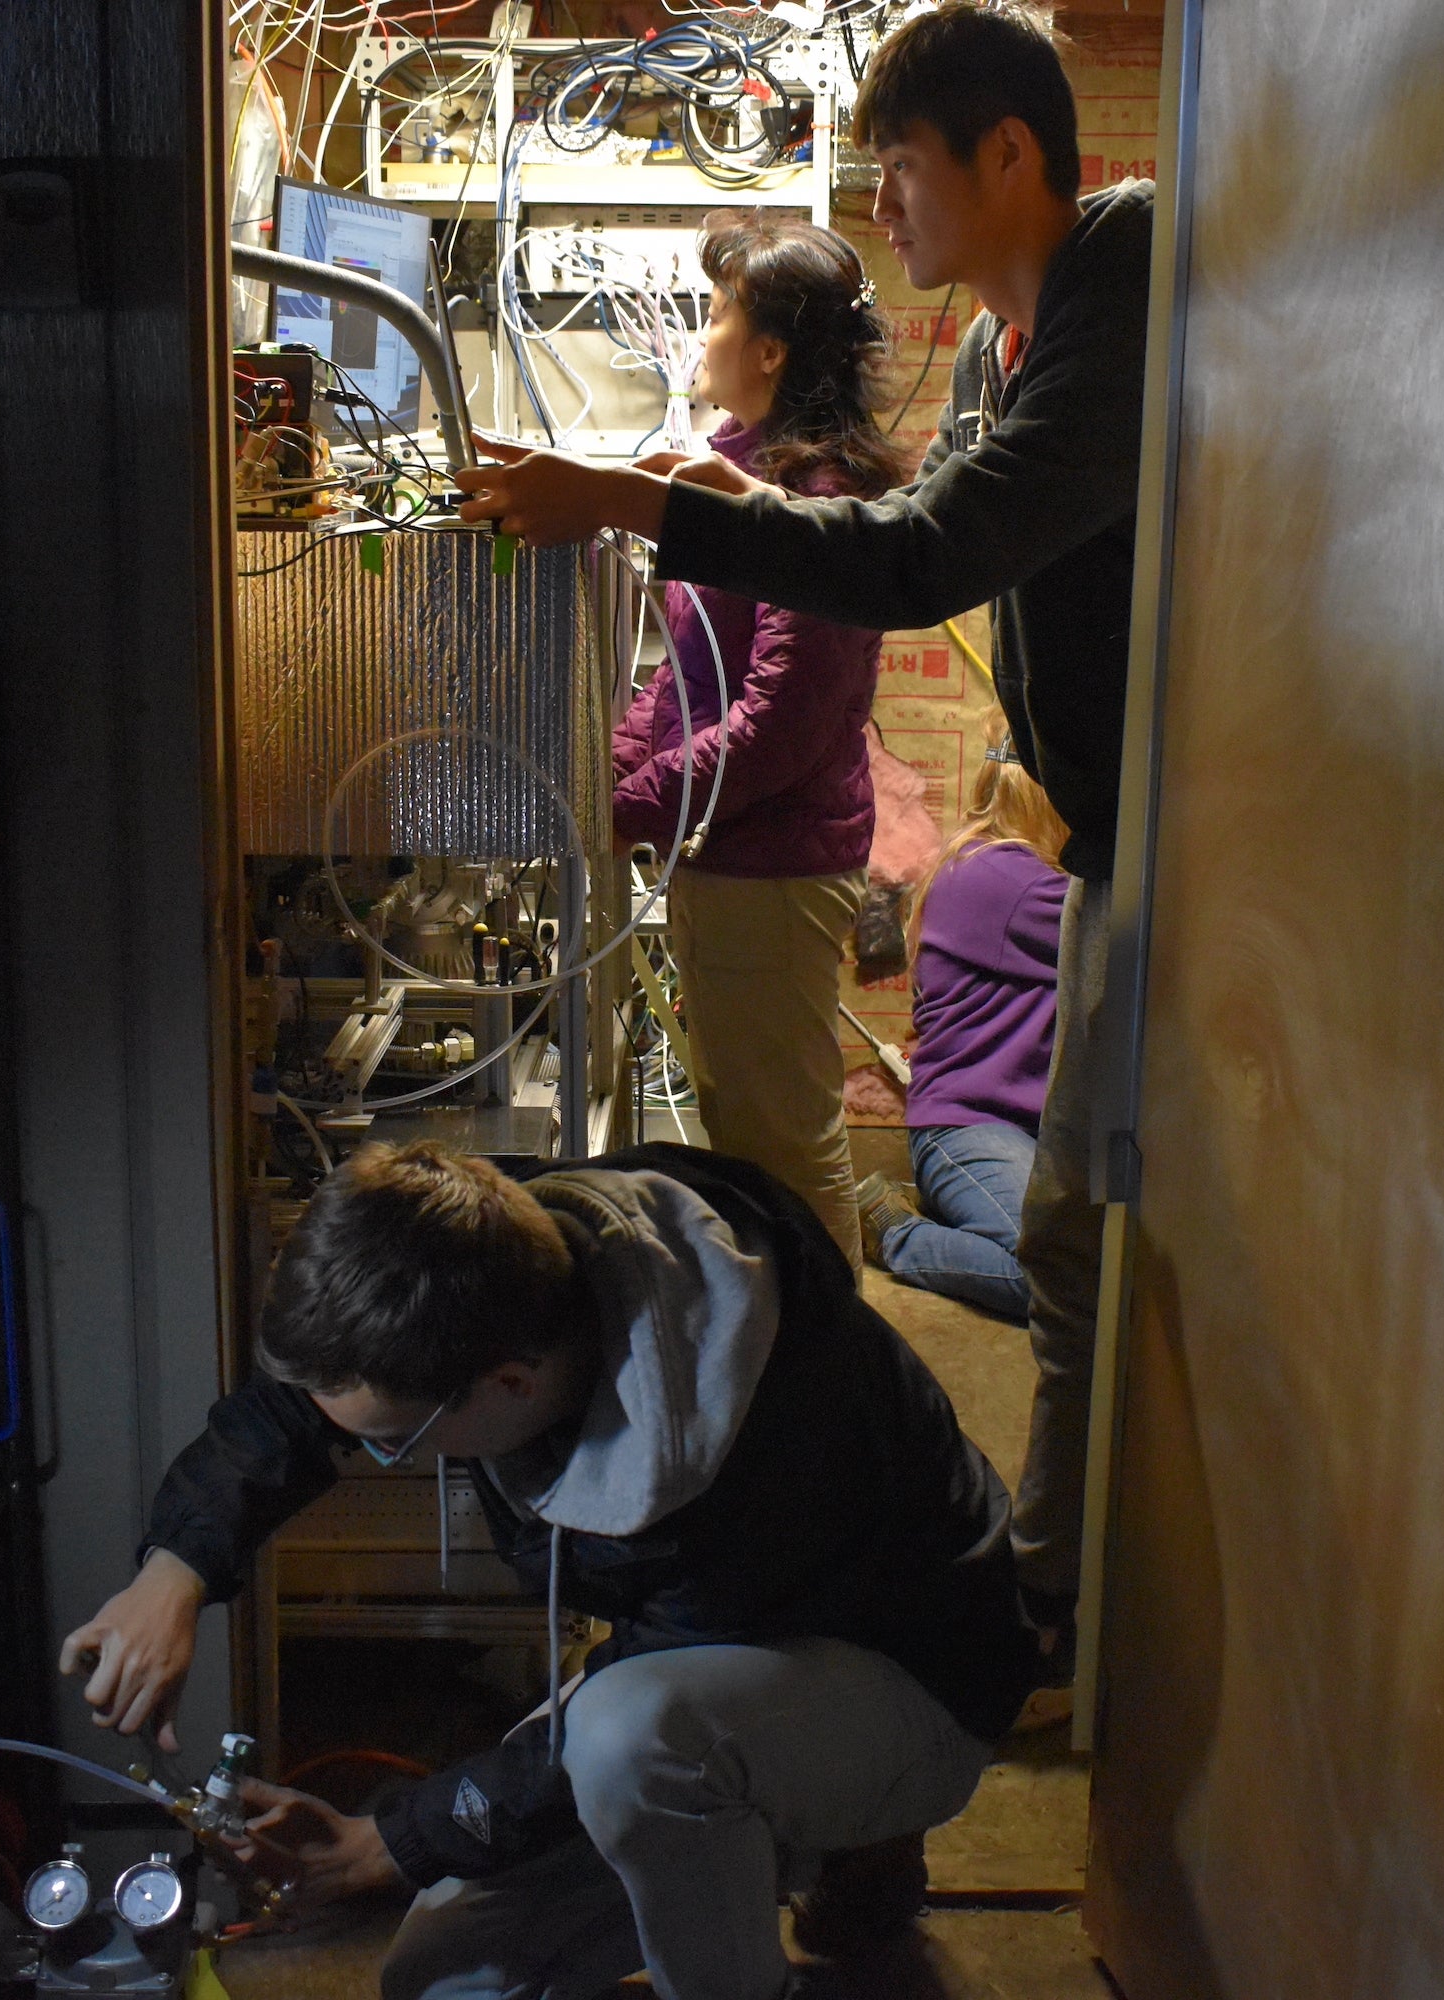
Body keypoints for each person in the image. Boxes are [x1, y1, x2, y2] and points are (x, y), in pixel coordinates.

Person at [457, 0, 1146, 1687]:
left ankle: (1029, 1594)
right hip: (1112, 844)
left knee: (1078, 1235)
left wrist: (632, 499)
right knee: (1065, 1233)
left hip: (1201, 846)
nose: (883, 203)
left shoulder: (1129, 274)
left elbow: (918, 561)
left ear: (1005, 154)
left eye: (902, 164)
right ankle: (1040, 1583)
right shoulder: (999, 350)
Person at [59, 1139, 1035, 2000]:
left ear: (509, 1384)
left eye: (398, 1443)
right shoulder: (503, 1242)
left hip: (913, 1676)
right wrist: (174, 1573)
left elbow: (630, 1700)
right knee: (446, 1977)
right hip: (711, 1680)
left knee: (630, 1743)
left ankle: (846, 1831)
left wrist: (391, 1840)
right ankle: (801, 1836)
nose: (384, 1454)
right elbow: (309, 1401)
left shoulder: (766, 1432)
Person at [617, 215, 902, 1266]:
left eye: (720, 310)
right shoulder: (737, 477)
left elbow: (780, 721)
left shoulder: (812, 500)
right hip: (735, 855)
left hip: (773, 872)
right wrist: (615, 775)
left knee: (786, 1152)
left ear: (772, 350)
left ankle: (835, 1398)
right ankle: (796, 1375)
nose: (703, 334)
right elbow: (687, 671)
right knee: (756, 1141)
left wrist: (635, 807)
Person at [857, 740, 1067, 1323]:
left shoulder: (995, 863)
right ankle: (895, 1231)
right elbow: (1132, 931)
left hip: (1027, 1130)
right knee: (1045, 1279)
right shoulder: (1002, 877)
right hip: (970, 1127)